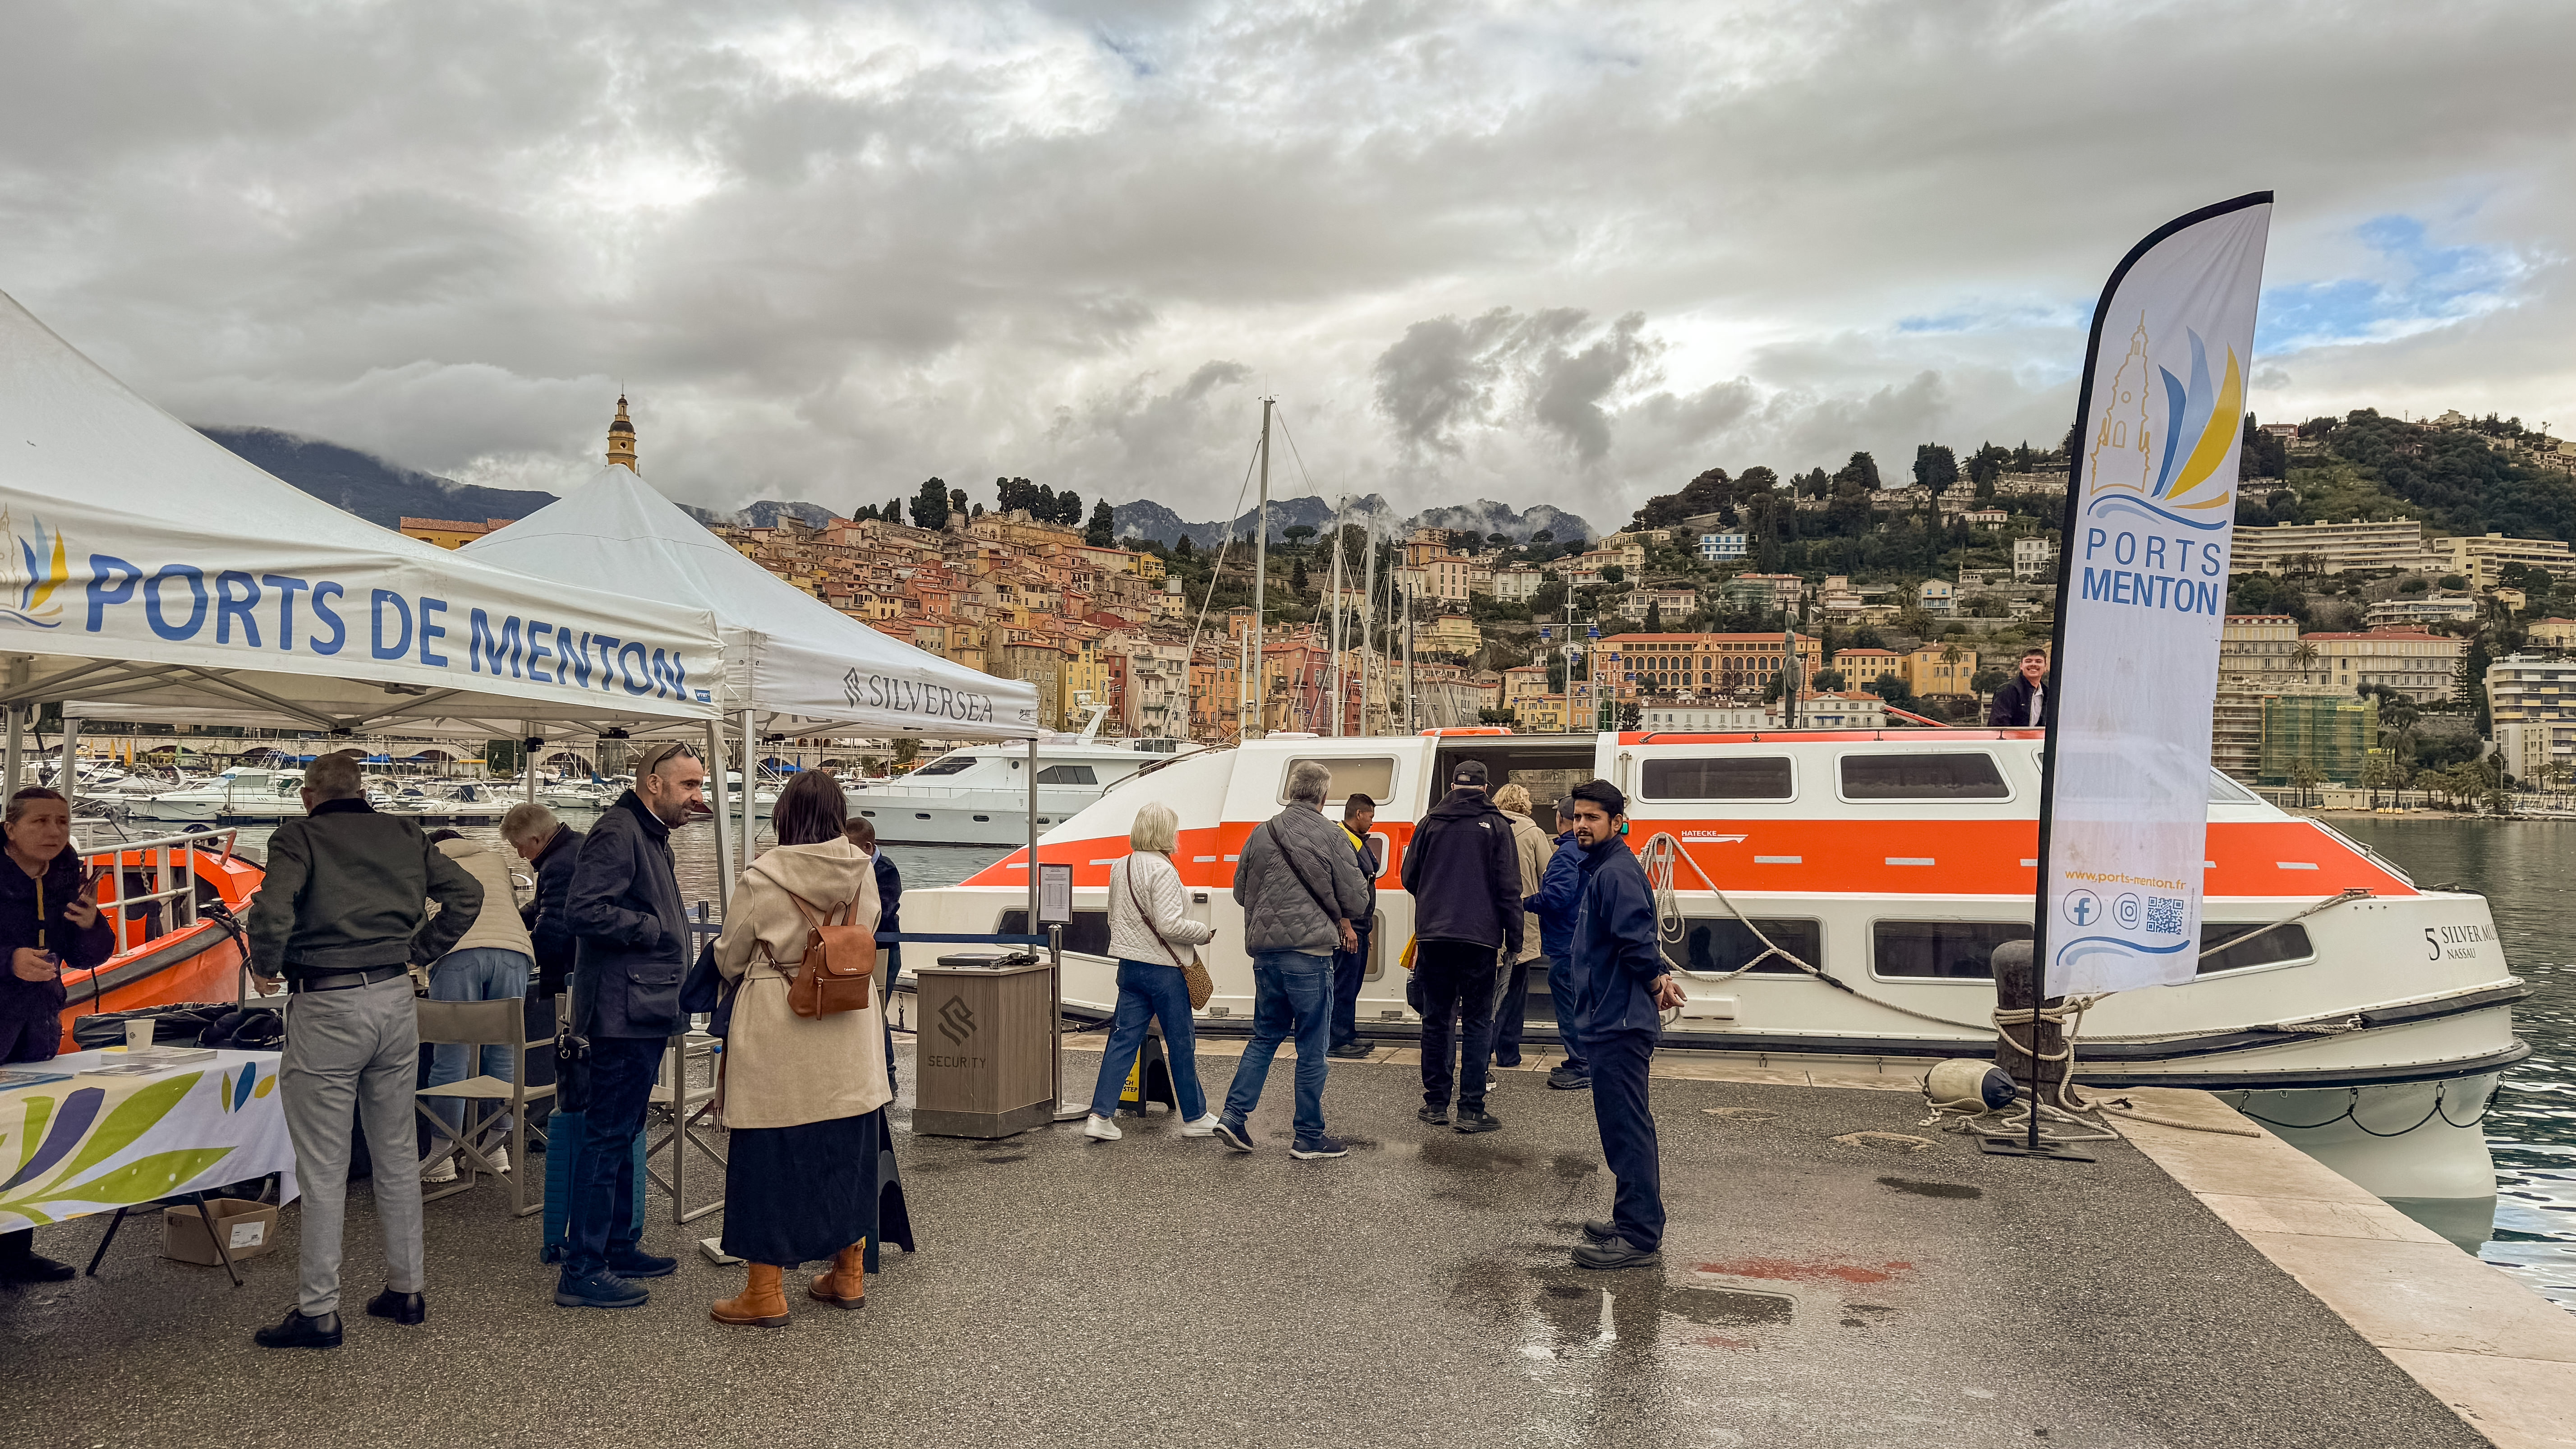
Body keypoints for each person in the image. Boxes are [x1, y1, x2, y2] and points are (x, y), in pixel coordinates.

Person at [245, 754, 481, 1348]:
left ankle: (319, 1310)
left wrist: (265, 963)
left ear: (308, 796)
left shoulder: (298, 837)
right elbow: (467, 894)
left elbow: (272, 909)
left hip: (327, 1001)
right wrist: (419, 950)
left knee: (323, 1165)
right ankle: (407, 1288)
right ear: (363, 790)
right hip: (395, 998)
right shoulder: (405, 833)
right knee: (397, 1152)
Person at [708, 770, 890, 1327]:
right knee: (846, 1149)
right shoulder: (864, 871)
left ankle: (765, 1292)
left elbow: (730, 954)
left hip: (778, 1026)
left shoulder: (763, 876)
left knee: (768, 1156)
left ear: (784, 816)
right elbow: (870, 928)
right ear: (838, 816)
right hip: (849, 1022)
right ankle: (848, 1275)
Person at [557, 741, 704, 1311]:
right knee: (607, 1136)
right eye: (688, 785)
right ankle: (584, 1267)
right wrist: (651, 930)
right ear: (653, 784)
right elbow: (583, 910)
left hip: (642, 1006)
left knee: (621, 1132)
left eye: (699, 785)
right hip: (622, 1011)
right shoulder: (620, 832)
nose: (697, 797)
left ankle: (616, 1246)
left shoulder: (650, 835)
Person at [1213, 760, 1367, 1160]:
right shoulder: (1332, 835)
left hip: (1266, 956)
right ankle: (1309, 1136)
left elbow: (1241, 892)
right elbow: (1357, 900)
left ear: (1292, 791)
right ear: (1323, 796)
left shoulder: (1261, 832)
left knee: (1265, 1037)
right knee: (1312, 1047)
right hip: (1310, 956)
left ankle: (1233, 1116)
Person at [1560, 780, 1685, 1270]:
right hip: (1611, 1015)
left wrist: (1655, 978)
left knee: (1627, 1128)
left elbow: (1634, 938)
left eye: (1593, 818)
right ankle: (1631, 1219)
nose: (1582, 825)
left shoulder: (1615, 872)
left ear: (1617, 823)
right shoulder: (1606, 868)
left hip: (1618, 1019)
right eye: (1578, 817)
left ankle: (1638, 1236)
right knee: (1623, 1127)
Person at [1, 787, 112, 1283]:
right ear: (11, 829)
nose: (54, 831)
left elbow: (89, 956)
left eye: (62, 822)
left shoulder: (67, 875)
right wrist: (9, 960)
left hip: (37, 1023)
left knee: (24, 1138)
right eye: (41, 821)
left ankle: (13, 1255)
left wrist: (91, 926)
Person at [1083, 800, 1220, 1141]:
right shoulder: (1164, 870)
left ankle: (1100, 1116)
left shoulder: (1121, 866)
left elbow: (1113, 917)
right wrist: (1202, 932)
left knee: (1123, 1040)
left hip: (1130, 967)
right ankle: (1195, 1116)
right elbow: (1170, 925)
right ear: (1164, 833)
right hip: (1164, 972)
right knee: (1181, 1042)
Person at [1400, 759, 1524, 1134]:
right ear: (1486, 788)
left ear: (1453, 786)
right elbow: (1509, 888)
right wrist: (1514, 939)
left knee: (1436, 1019)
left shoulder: (1429, 824)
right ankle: (1471, 1108)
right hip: (1480, 938)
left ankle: (1435, 1103)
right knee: (1476, 1021)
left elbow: (1409, 876)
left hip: (1434, 937)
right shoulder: (1498, 827)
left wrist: (1435, 898)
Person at [415, 830, 538, 1182]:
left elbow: (417, 920)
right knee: (504, 1051)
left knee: (452, 1055)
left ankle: (442, 1155)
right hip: (514, 952)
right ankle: (495, 1148)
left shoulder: (427, 861)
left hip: (458, 952)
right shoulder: (495, 859)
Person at [1487, 783, 1552, 1071]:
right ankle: (1508, 1053)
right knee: (1514, 990)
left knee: (1484, 990)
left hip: (1485, 921)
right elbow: (1548, 875)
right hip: (1521, 919)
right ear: (1525, 805)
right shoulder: (1534, 833)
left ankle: (1482, 1048)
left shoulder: (1484, 827)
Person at [1529, 799, 1591, 1091]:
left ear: (1559, 819)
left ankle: (1581, 1064)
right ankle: (1582, 1060)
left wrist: (1523, 903)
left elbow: (1556, 897)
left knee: (1570, 1004)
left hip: (1566, 942)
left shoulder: (1567, 853)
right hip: (1582, 939)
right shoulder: (1589, 850)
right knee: (1582, 1002)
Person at [844, 816, 904, 1089]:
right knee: (868, 1012)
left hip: (884, 952)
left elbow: (883, 911)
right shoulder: (852, 867)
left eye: (852, 849)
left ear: (868, 847)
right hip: (860, 948)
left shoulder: (886, 870)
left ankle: (888, 1077)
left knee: (878, 1011)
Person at [504, 803, 584, 1000]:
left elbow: (553, 928)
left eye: (519, 847)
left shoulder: (559, 864)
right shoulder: (575, 845)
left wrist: (518, 959)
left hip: (569, 965)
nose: (520, 855)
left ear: (536, 839)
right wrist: (511, 921)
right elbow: (544, 905)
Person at [1325, 792, 1382, 1061]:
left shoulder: (1356, 841)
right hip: (1349, 926)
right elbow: (1338, 887)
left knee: (1353, 984)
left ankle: (1347, 1033)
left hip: (1359, 925)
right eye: (1370, 816)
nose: (1372, 821)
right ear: (1359, 814)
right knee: (1344, 984)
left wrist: (1366, 928)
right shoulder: (1343, 841)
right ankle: (1337, 1039)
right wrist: (1347, 926)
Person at [1988, 647, 2049, 727]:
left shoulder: (2047, 693)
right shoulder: (2008, 690)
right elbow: (1999, 726)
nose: (2034, 664)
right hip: (2013, 735)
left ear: (2045, 667)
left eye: (2039, 662)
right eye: (2028, 661)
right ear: (2021, 666)